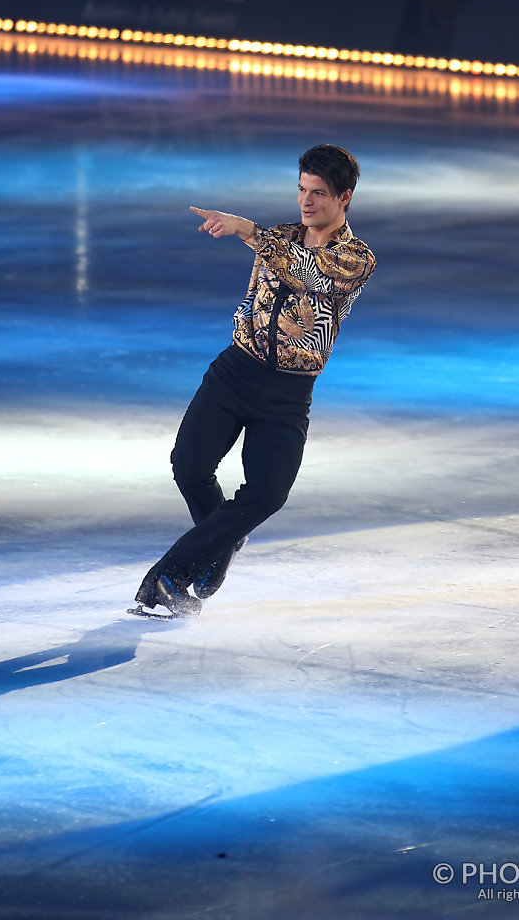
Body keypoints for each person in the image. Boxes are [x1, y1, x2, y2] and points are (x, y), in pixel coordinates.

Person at [132, 144, 376, 619]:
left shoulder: (356, 259)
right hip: (234, 372)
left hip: (287, 394)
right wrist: (254, 241)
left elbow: (310, 274)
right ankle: (215, 551)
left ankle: (173, 573)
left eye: (319, 194)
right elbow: (272, 268)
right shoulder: (279, 236)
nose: (306, 202)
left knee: (268, 494)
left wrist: (247, 230)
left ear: (344, 197)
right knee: (188, 465)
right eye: (302, 190)